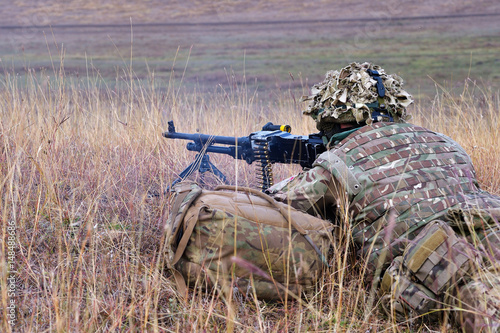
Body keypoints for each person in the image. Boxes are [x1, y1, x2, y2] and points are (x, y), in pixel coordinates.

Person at [265, 62, 500, 332]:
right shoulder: (448, 143)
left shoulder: (340, 159)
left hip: (438, 274)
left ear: (333, 117)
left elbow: (276, 205)